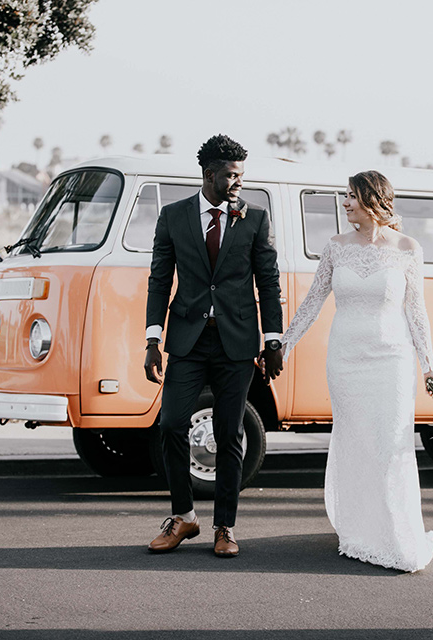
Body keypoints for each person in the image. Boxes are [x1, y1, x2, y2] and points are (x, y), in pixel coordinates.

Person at [281, 170, 433, 572]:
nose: (345, 203)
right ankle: (360, 530)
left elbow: (417, 312)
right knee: (357, 442)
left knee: (391, 445)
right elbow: (313, 302)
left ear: (372, 200)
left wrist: (429, 366)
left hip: (392, 359)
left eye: (351, 196)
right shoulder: (335, 248)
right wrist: (284, 344)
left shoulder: (407, 248)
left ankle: (396, 533)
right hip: (346, 361)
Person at [143, 134, 284, 558]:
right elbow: (159, 279)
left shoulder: (255, 219)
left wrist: (273, 339)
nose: (238, 182)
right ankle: (184, 516)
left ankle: (225, 526)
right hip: (187, 340)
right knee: (170, 425)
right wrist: (153, 338)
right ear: (209, 174)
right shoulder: (172, 216)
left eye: (241, 174)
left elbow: (269, 281)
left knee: (228, 433)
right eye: (231, 175)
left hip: (237, 343)